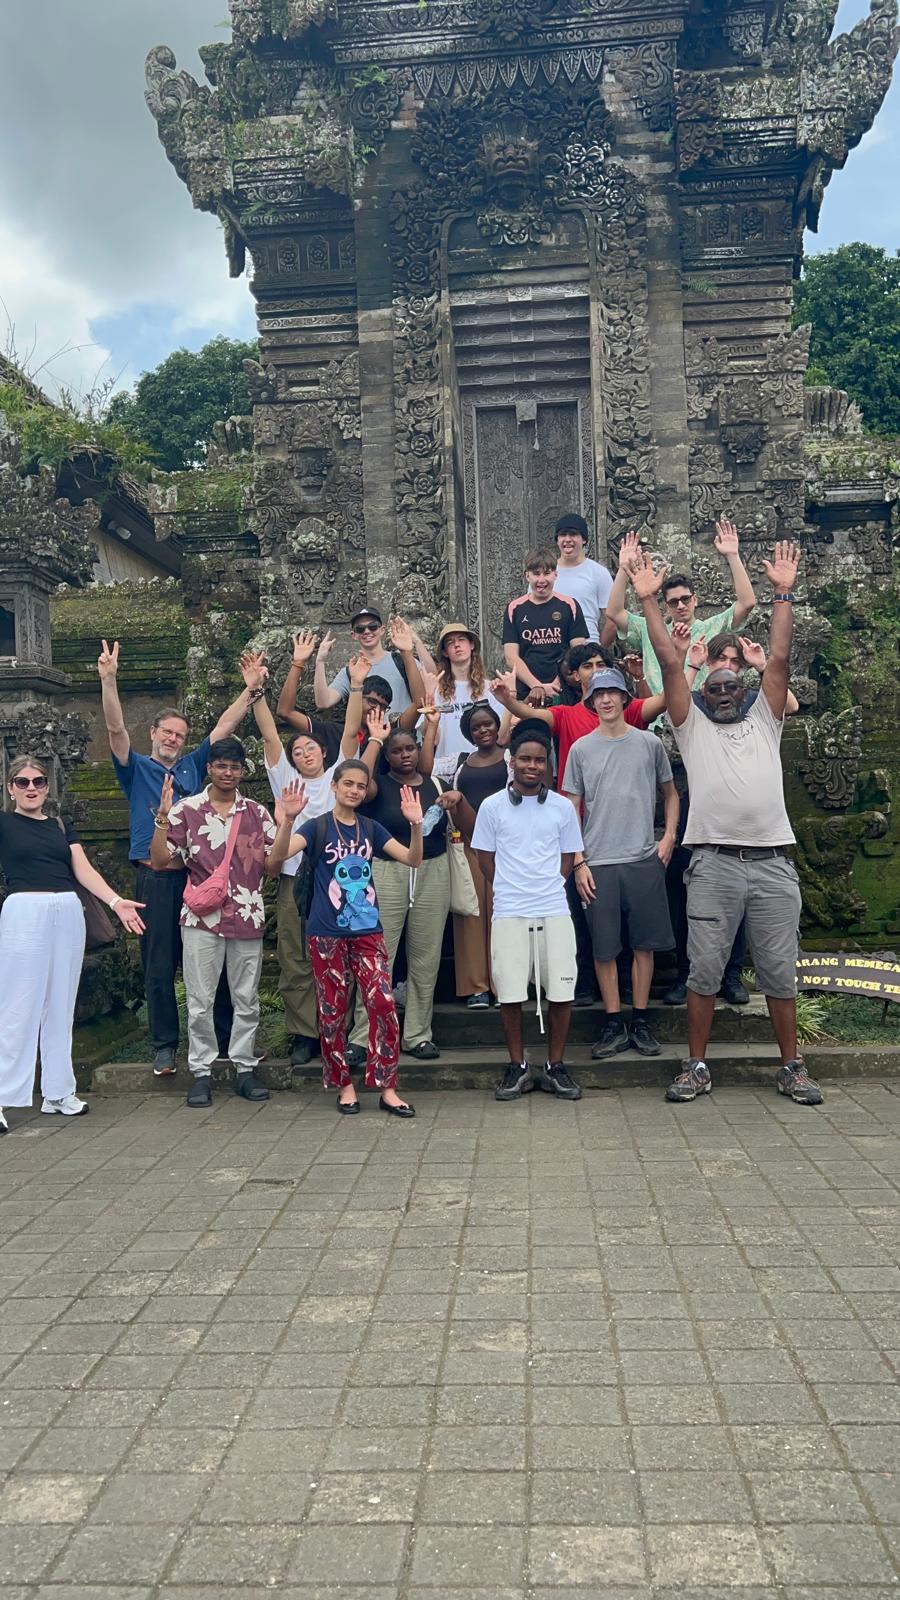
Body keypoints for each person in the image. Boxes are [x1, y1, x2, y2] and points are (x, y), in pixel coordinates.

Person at [630, 544, 823, 1106]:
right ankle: (696, 1065)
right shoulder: (692, 728)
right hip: (713, 863)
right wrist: (646, 600)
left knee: (778, 971)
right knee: (705, 969)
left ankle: (792, 1066)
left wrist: (783, 593)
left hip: (771, 865)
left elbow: (780, 661)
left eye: (728, 688)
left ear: (744, 691)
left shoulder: (766, 720)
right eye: (710, 689)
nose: (719, 695)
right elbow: (670, 665)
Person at [97, 638, 255, 1078]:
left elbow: (224, 728)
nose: (173, 739)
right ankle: (166, 1046)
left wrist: (249, 690)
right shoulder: (137, 769)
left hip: (201, 877)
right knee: (159, 963)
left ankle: (225, 1043)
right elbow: (114, 731)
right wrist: (109, 680)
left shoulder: (191, 767)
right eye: (167, 732)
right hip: (156, 878)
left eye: (180, 735)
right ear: (153, 733)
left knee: (216, 960)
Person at [150, 738, 303, 1109]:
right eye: (221, 765)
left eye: (235, 767)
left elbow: (272, 866)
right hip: (201, 918)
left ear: (242, 771)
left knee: (245, 998)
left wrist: (289, 823)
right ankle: (201, 1072)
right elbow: (158, 861)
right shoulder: (187, 810)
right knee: (200, 1000)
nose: (228, 772)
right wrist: (160, 816)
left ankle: (244, 1067)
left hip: (247, 915)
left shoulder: (256, 813)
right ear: (210, 769)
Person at [0, 755, 145, 1133]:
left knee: (61, 1004)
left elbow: (83, 870)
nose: (31, 788)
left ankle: (58, 1092)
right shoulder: (4, 823)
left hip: (67, 910)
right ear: (10, 787)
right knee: (18, 1005)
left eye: (39, 781)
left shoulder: (61, 825)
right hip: (24, 911)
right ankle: (3, 1096)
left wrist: (115, 901)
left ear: (47, 787)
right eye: (22, 781)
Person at [275, 758, 424, 1116]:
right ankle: (344, 1085)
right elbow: (276, 858)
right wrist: (289, 820)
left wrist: (415, 825)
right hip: (325, 933)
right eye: (348, 784)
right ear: (334, 786)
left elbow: (412, 859)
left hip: (367, 930)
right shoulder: (316, 827)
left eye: (361, 785)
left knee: (384, 1005)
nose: (354, 790)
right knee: (332, 1010)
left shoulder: (371, 829)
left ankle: (388, 1087)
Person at [242, 648, 369, 1069]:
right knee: (295, 956)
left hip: (339, 879)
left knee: (344, 956)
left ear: (324, 753)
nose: (303, 753)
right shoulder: (286, 779)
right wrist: (255, 692)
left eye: (310, 747)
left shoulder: (338, 778)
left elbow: (351, 731)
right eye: (297, 751)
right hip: (296, 877)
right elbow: (269, 737)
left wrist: (355, 685)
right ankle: (304, 1034)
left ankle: (341, 1032)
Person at [662, 634, 800, 1007]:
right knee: (702, 915)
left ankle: (733, 976)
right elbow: (672, 697)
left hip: (762, 845)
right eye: (719, 660)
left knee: (748, 913)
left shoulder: (756, 706)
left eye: (733, 662)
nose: (727, 669)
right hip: (708, 824)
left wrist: (761, 663)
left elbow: (789, 700)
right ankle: (690, 975)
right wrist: (690, 665)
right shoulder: (697, 709)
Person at [563, 669, 678, 1058]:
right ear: (591, 701)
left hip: (643, 856)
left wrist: (669, 836)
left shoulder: (649, 744)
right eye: (600, 694)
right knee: (604, 947)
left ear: (625, 698)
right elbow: (570, 810)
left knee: (644, 946)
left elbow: (670, 793)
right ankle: (613, 1021)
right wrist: (578, 860)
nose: (607, 699)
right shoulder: (580, 749)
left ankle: (640, 1020)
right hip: (598, 860)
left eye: (614, 692)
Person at [472, 719, 584, 1101]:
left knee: (562, 990)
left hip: (553, 907)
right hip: (509, 910)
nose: (532, 766)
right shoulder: (492, 807)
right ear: (511, 761)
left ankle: (555, 1065)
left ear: (547, 765)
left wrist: (546, 886)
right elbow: (485, 859)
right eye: (525, 759)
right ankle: (517, 1065)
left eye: (539, 760)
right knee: (510, 992)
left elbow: (568, 856)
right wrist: (511, 887)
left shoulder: (562, 808)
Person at [347, 721, 451, 1063]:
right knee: (378, 957)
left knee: (426, 957)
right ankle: (365, 1036)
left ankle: (418, 1034)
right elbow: (360, 776)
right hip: (387, 873)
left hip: (432, 872)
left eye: (410, 748)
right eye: (397, 750)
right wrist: (376, 738)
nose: (404, 755)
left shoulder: (437, 785)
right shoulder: (378, 788)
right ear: (387, 757)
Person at [601, 521, 756, 697]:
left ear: (695, 600)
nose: (681, 606)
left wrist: (733, 555)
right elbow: (614, 612)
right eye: (674, 602)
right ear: (666, 606)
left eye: (685, 599)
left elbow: (747, 602)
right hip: (657, 717)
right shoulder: (648, 630)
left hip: (700, 710)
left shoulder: (712, 627)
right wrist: (623, 569)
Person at [440, 700, 510, 1009]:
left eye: (488, 724)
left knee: (503, 915)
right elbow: (425, 765)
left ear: (498, 727)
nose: (483, 730)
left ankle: (505, 982)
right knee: (471, 914)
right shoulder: (459, 762)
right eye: (475, 727)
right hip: (468, 844)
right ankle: (477, 987)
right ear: (469, 734)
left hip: (506, 848)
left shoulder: (511, 758)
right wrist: (430, 728)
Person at [418, 623, 504, 780]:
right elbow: (433, 738)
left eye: (462, 639)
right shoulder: (437, 691)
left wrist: (511, 694)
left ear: (471, 644)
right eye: (450, 642)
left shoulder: (490, 689)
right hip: (446, 770)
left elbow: (502, 736)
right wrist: (429, 696)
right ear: (445, 652)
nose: (457, 645)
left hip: (484, 768)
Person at [502, 547, 588, 704]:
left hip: (563, 689)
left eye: (547, 573)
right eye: (536, 574)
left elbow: (578, 652)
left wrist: (558, 682)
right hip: (526, 690)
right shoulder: (514, 608)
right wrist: (537, 686)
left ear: (555, 575)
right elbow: (510, 656)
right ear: (527, 576)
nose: (541, 580)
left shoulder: (570, 605)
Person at [313, 611, 427, 718]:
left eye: (372, 626)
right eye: (360, 629)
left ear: (382, 630)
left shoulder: (402, 660)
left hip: (403, 735)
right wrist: (320, 661)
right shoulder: (350, 672)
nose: (367, 631)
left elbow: (425, 696)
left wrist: (410, 648)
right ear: (353, 635)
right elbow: (323, 702)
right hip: (369, 737)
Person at [688, 633, 800, 719]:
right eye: (721, 659)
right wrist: (694, 666)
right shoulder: (696, 700)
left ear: (740, 666)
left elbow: (791, 707)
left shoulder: (749, 699)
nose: (727, 666)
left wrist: (762, 667)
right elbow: (672, 706)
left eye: (735, 661)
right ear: (708, 660)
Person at [552, 512, 613, 642]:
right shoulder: (546, 574)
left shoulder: (598, 573)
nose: (568, 539)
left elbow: (612, 619)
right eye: (563, 535)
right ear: (557, 540)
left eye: (573, 534)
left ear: (584, 539)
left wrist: (597, 650)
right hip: (553, 650)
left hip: (588, 647)